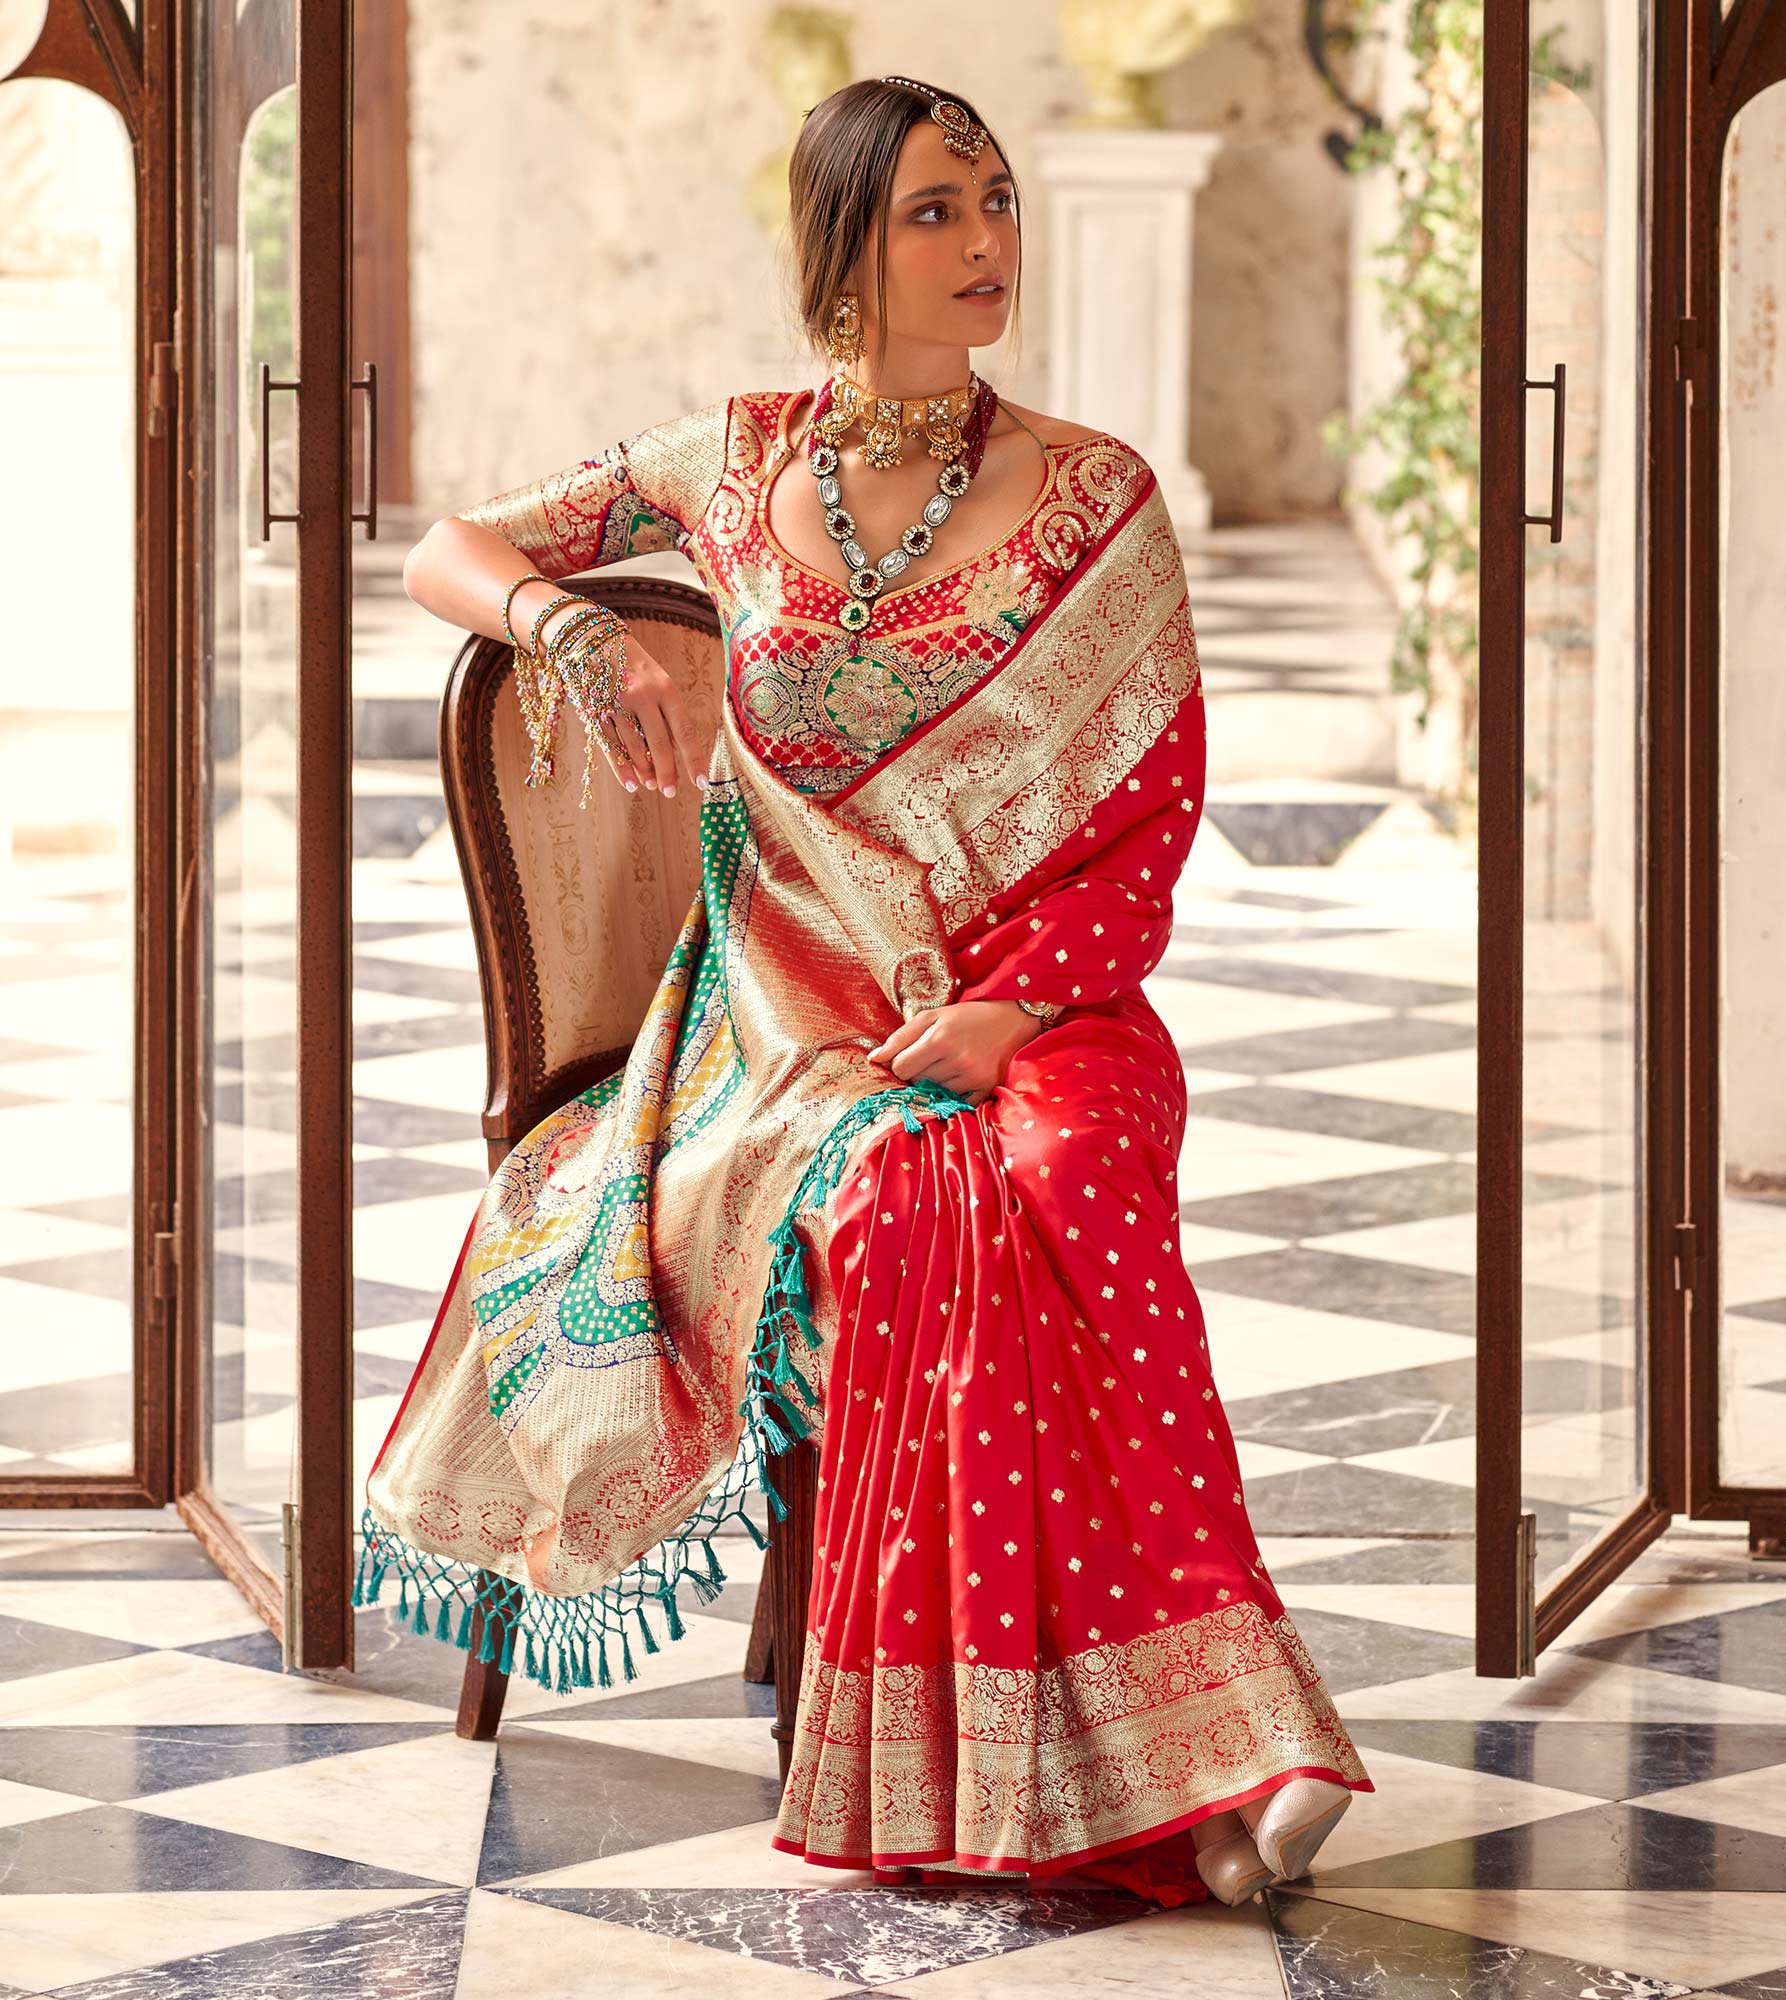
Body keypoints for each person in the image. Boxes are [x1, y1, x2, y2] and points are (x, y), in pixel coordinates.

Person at [354, 74, 1372, 1908]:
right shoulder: (726, 462)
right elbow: (447, 546)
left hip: (1054, 1007)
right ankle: (1164, 1786)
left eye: (994, 201)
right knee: (912, 1206)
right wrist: (572, 622)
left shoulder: (1097, 497)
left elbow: (1147, 824)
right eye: (935, 210)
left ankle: (1218, 1745)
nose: (990, 242)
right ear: (843, 245)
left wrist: (1012, 1010)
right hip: (783, 1025)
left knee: (1052, 1181)